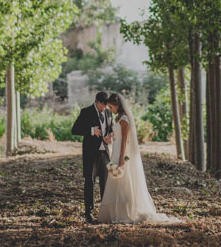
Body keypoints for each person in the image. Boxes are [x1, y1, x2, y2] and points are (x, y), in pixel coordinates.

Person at [98, 93, 177, 224]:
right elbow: (118, 134)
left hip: (122, 153)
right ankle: (116, 212)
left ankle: (125, 212)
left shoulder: (124, 119)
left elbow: (125, 139)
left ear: (118, 105)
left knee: (124, 181)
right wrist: (110, 136)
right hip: (116, 151)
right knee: (116, 181)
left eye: (111, 107)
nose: (110, 110)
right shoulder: (118, 118)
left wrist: (121, 158)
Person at [70, 91, 113, 223]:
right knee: (90, 182)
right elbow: (74, 130)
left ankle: (105, 212)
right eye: (101, 106)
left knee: (106, 183)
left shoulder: (108, 113)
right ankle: (89, 212)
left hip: (105, 152)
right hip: (90, 153)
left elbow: (110, 128)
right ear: (96, 101)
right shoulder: (86, 112)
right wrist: (91, 131)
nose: (103, 108)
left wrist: (110, 136)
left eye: (105, 106)